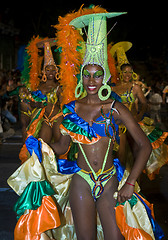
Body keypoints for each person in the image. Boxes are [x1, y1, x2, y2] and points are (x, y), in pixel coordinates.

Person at [7, 5, 164, 240]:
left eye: (97, 74)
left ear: (105, 77)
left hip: (109, 180)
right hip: (81, 180)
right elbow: (62, 147)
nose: (92, 80)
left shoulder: (115, 108)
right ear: (81, 75)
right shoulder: (72, 108)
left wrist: (130, 182)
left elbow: (144, 145)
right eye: (87, 74)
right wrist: (41, 145)